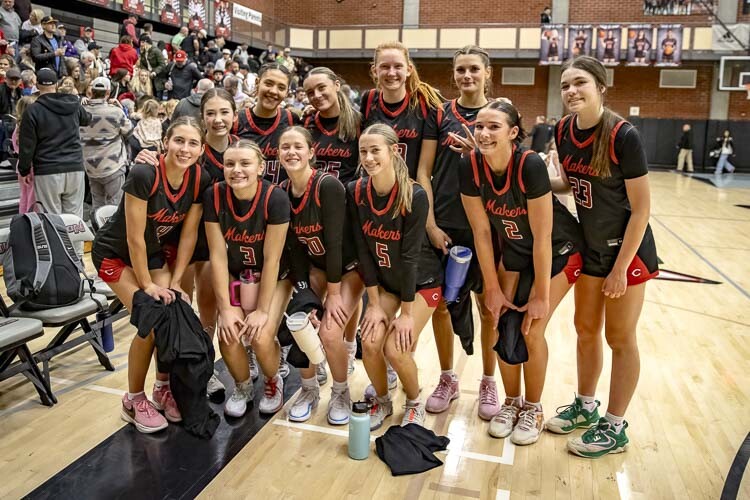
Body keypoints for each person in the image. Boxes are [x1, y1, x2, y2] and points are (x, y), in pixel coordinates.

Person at [547, 56, 658, 458]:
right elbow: (570, 184)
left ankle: (614, 426)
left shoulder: (623, 136)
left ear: (601, 87)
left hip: (627, 251)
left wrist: (622, 268)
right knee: (585, 329)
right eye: (565, 85)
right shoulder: (561, 130)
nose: (571, 91)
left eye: (580, 83)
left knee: (620, 337)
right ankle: (585, 406)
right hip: (590, 246)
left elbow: (642, 208)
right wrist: (543, 180)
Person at [459, 99, 584, 445]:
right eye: (479, 126)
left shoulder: (528, 165)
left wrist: (541, 296)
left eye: (493, 126)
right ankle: (511, 403)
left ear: (513, 133)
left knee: (531, 329)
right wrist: (493, 289)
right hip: (516, 253)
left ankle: (533, 407)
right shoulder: (468, 166)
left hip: (559, 251)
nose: (483, 133)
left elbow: (543, 237)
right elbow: (482, 234)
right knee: (499, 320)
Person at [92, 116, 208, 433]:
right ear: (165, 142)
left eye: (193, 143)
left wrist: (174, 280)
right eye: (179, 140)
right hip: (116, 253)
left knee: (173, 313)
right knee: (151, 317)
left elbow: (187, 235)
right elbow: (134, 238)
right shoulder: (145, 173)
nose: (185, 148)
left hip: (153, 252)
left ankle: (162, 386)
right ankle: (132, 399)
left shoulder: (200, 178)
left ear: (202, 148)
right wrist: (146, 285)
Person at [415, 45, 501, 420]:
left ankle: (488, 380)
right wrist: (430, 223)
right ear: (454, 75)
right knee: (442, 306)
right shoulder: (440, 114)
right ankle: (448, 378)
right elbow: (423, 172)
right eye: (461, 70)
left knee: (488, 307)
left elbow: (509, 169)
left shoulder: (499, 113)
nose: (467, 76)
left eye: (474, 70)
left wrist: (479, 155)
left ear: (487, 73)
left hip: (488, 225)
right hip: (446, 226)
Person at [347, 123, 443, 429]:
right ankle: (383, 400)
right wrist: (373, 304)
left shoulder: (414, 195)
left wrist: (406, 313)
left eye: (376, 150)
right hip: (386, 285)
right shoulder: (357, 191)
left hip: (422, 284)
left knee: (395, 347)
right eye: (364, 151)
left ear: (394, 151)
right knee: (371, 341)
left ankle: (415, 401)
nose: (369, 157)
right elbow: (364, 250)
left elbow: (411, 256)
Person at [277, 126, 362, 424]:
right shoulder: (282, 193)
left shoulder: (328, 186)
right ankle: (309, 388)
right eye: (285, 146)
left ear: (312, 152)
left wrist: (334, 293)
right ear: (278, 154)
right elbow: (295, 250)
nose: (291, 152)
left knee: (328, 332)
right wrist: (305, 295)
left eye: (298, 146)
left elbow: (337, 243)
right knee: (300, 320)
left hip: (348, 268)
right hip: (314, 266)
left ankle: (341, 391)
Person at [204, 139, 293, 417]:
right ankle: (243, 387)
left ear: (260, 167)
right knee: (228, 333)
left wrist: (263, 311)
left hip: (275, 275)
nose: (236, 170)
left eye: (245, 163)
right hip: (237, 274)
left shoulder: (275, 197)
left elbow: (272, 260)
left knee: (261, 335)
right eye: (230, 164)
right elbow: (218, 256)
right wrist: (227, 308)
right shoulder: (214, 195)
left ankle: (272, 380)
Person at [360, 41, 443, 180]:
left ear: (409, 69)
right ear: (375, 71)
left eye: (398, 66)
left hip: (412, 190)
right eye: (385, 66)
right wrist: (317, 110)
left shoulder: (425, 101)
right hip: (375, 189)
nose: (391, 73)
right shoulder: (368, 99)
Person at [18, 68, 91, 221]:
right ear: (57, 84)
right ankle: (74, 246)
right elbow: (87, 119)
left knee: (52, 220)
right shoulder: (73, 103)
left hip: (47, 170)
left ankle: (57, 246)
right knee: (74, 220)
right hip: (75, 167)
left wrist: (24, 170)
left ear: (36, 85)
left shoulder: (32, 111)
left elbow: (27, 146)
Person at [232, 62, 299, 184]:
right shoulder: (236, 121)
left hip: (281, 199)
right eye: (268, 83)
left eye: (281, 87)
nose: (274, 91)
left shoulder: (291, 120)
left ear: (287, 92)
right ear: (257, 82)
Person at [80, 76, 132, 210]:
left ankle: (99, 230)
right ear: (108, 93)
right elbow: (129, 131)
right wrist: (120, 108)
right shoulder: (115, 112)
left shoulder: (82, 111)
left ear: (91, 92)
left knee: (97, 204)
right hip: (112, 165)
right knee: (115, 206)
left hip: (91, 166)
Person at [13, 95, 35, 213]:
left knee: (24, 197)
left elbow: (16, 148)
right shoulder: (30, 127)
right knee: (32, 200)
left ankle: (23, 221)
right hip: (31, 167)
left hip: (20, 166)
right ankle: (31, 224)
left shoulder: (17, 127)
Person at [137, 34, 165, 99]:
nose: (141, 45)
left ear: (146, 42)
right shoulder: (143, 52)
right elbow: (142, 64)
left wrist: (155, 72)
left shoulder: (156, 51)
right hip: (148, 77)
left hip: (158, 78)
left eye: (142, 43)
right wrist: (146, 72)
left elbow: (162, 64)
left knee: (157, 97)